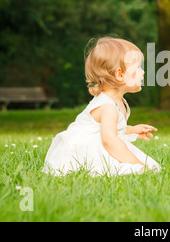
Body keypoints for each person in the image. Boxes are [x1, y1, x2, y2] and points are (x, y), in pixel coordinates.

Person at [43, 37, 161, 176]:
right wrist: (136, 163)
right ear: (120, 74)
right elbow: (109, 140)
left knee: (141, 165)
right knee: (129, 168)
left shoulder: (116, 101)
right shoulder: (108, 107)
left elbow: (109, 129)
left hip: (98, 144)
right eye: (138, 68)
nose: (143, 72)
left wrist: (131, 130)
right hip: (82, 152)